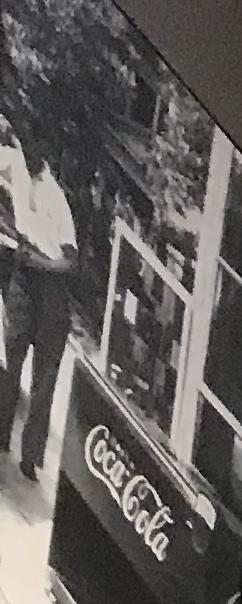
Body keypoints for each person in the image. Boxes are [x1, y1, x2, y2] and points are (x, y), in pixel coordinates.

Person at [0, 115, 79, 484]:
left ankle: (30, 457)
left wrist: (43, 264)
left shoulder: (56, 197)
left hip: (51, 287)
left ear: (46, 151)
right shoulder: (14, 164)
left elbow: (71, 261)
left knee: (43, 381)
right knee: (10, 359)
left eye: (37, 145)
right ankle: (1, 435)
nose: (29, 149)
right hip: (23, 275)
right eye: (26, 140)